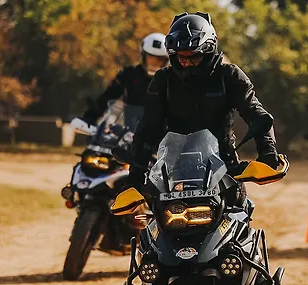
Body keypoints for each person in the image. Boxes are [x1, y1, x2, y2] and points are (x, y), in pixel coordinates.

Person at [127, 12, 279, 191]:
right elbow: (148, 127)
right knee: (156, 216)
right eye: (181, 57)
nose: (187, 63)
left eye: (194, 56)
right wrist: (135, 174)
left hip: (224, 167)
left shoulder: (229, 75)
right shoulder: (163, 80)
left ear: (208, 51)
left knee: (238, 211)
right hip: (174, 171)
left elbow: (255, 113)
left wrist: (268, 150)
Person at [80, 33, 169, 126]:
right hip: (129, 133)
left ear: (166, 61)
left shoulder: (171, 79)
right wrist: (90, 118)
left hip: (162, 134)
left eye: (159, 60)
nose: (153, 64)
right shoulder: (129, 74)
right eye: (150, 59)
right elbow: (107, 96)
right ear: (143, 57)